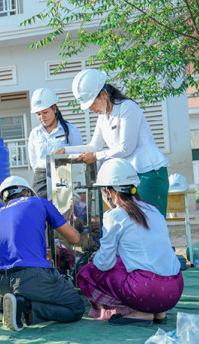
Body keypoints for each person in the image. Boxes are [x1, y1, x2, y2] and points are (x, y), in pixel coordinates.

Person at [77, 158, 183, 326]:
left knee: (88, 271)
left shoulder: (115, 216)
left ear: (109, 191)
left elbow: (105, 264)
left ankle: (140, 312)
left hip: (148, 291)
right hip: (175, 290)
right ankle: (158, 312)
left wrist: (95, 257)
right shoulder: (153, 210)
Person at [59, 69, 170, 214]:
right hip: (130, 175)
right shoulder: (103, 116)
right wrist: (65, 150)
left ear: (104, 95)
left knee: (152, 222)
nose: (91, 109)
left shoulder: (127, 107)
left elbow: (126, 148)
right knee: (134, 224)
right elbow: (95, 146)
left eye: (92, 103)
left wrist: (96, 156)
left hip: (148, 173)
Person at [0, 175, 85, 332]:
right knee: (75, 307)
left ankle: (6, 302)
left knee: (26, 284)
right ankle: (26, 308)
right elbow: (74, 238)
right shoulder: (38, 202)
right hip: (28, 276)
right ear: (28, 193)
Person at [27, 88, 83, 199]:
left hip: (64, 174)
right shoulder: (35, 134)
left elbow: (79, 156)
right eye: (38, 114)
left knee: (65, 212)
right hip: (41, 178)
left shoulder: (71, 130)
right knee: (42, 212)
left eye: (45, 112)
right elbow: (34, 161)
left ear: (54, 109)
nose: (42, 117)